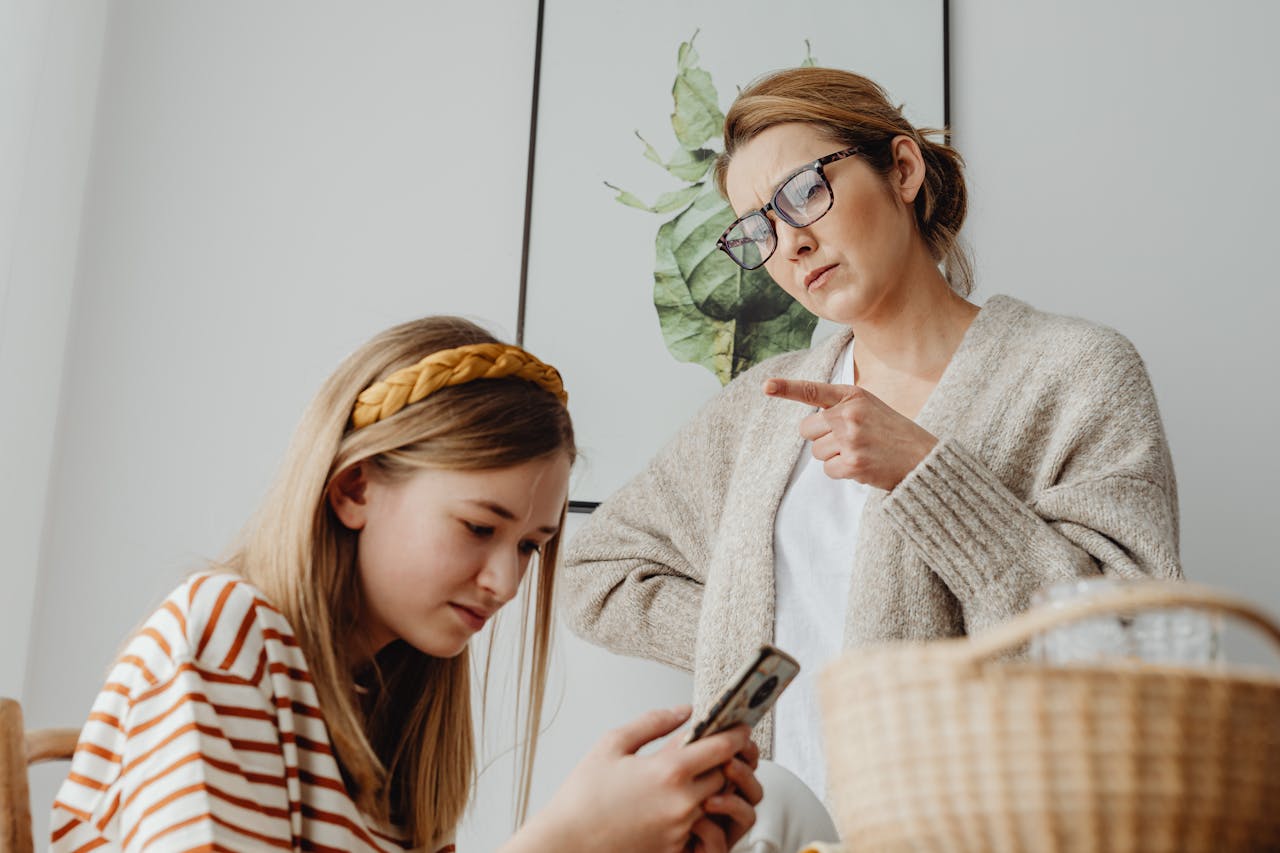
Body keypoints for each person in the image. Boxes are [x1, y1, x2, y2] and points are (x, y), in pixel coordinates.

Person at [562, 67, 1182, 806]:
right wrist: (757, 633)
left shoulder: (1075, 371)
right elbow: (597, 572)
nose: (790, 243)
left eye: (803, 192)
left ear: (903, 170)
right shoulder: (762, 409)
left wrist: (928, 473)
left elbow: (1134, 642)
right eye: (758, 229)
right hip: (767, 832)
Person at [49, 316, 763, 852]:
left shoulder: (395, 718)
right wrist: (570, 840)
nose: (505, 582)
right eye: (478, 527)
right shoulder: (224, 633)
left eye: (529, 547)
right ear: (355, 489)